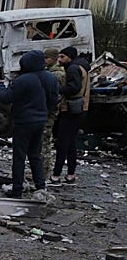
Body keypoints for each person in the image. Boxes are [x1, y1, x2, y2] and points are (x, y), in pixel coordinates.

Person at [0, 49, 59, 198]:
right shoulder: (51, 78)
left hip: (23, 121)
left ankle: (17, 190)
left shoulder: (23, 80)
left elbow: (6, 98)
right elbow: (54, 100)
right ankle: (40, 186)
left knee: (19, 157)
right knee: (35, 155)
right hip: (41, 120)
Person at [53, 45, 91, 185]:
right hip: (80, 109)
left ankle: (56, 175)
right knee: (71, 144)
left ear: (70, 57)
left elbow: (74, 88)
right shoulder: (83, 67)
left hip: (71, 110)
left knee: (63, 143)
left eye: (62, 57)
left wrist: (59, 89)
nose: (59, 60)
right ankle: (70, 174)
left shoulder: (73, 69)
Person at [42, 47, 65, 177]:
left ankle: (44, 170)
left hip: (49, 112)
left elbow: (55, 96)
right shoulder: (52, 72)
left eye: (47, 58)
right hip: (49, 111)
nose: (45, 60)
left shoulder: (56, 74)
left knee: (45, 140)